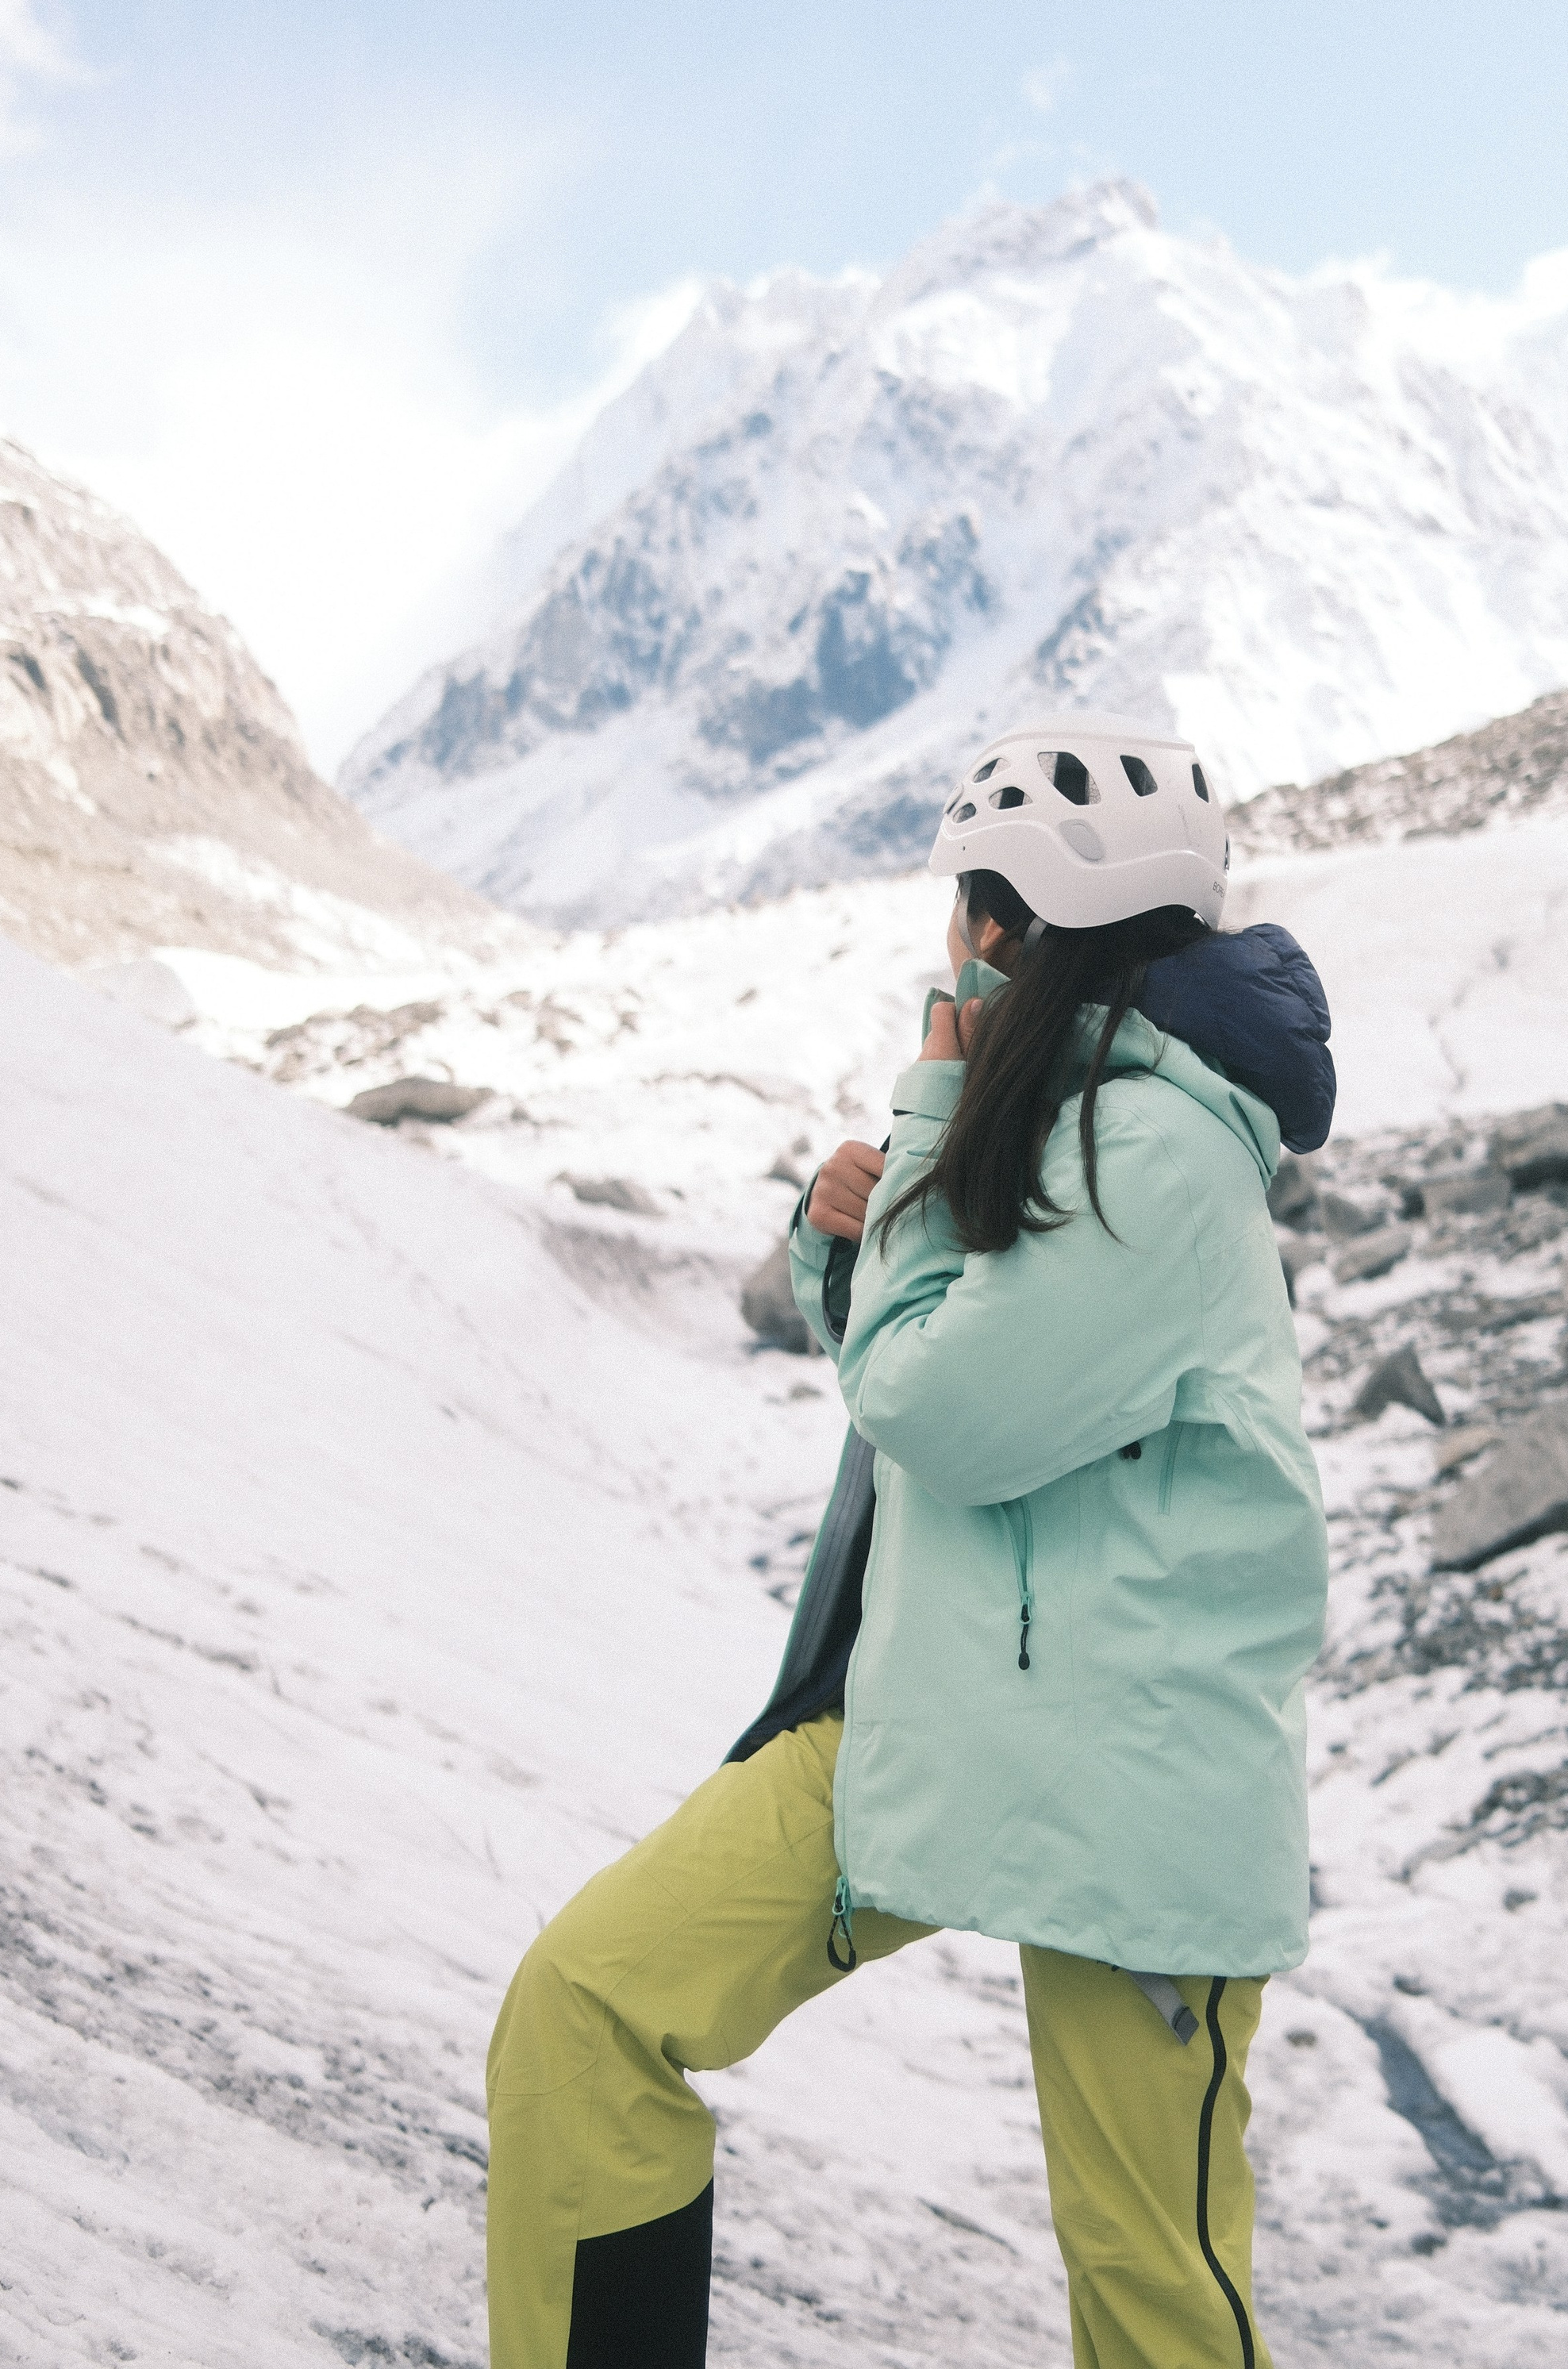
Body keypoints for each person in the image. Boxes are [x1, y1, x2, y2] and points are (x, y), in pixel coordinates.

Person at [485, 717, 1334, 2368]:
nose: (948, 942)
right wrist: (842, 1251)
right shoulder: (1087, 1104)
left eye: (967, 906)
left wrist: (930, 1103)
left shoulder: (1155, 1149)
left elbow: (941, 1405)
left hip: (1125, 1769)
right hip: (931, 1711)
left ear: (1014, 924)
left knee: (1147, 2281)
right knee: (588, 2007)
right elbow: (935, 1366)